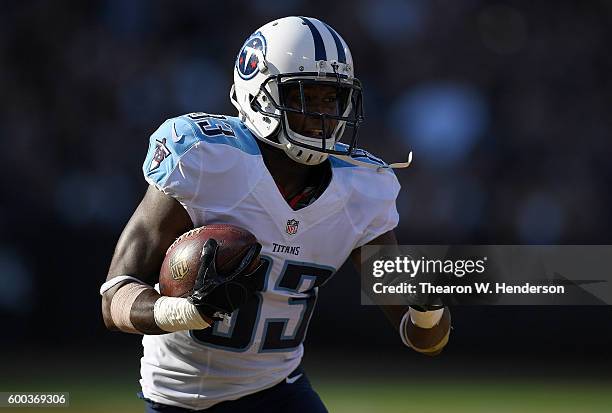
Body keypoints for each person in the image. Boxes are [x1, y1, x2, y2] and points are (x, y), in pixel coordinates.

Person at [100, 16, 451, 413]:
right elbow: (114, 299)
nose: (324, 115)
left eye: (331, 98)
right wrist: (185, 311)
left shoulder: (363, 188)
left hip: (280, 391)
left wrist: (428, 307)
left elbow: (425, 340)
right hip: (177, 398)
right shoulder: (205, 159)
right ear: (259, 94)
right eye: (306, 96)